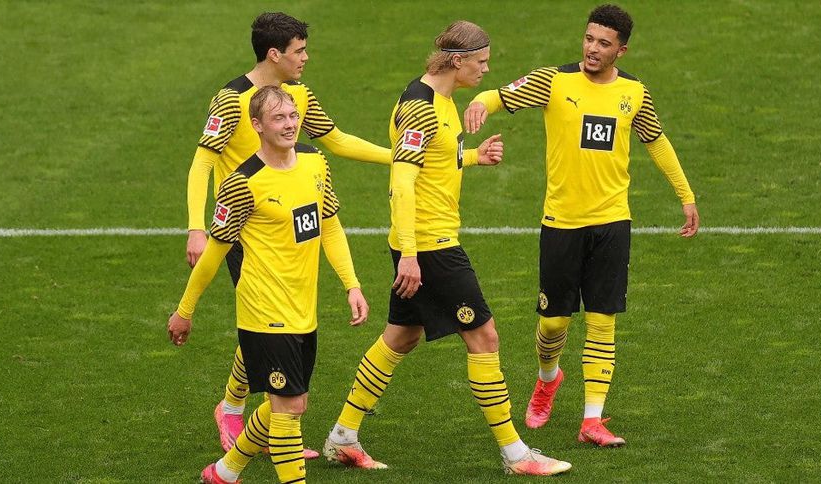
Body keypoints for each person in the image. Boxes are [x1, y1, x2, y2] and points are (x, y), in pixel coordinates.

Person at [321, 21, 571, 477]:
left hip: (424, 242)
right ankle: (516, 454)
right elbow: (402, 182)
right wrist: (411, 255)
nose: (486, 69)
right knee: (484, 337)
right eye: (482, 61)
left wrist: (475, 157)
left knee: (402, 336)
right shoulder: (419, 109)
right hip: (429, 246)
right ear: (457, 60)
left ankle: (343, 436)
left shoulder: (444, 100)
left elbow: (436, 161)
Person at [464, 4, 700, 447]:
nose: (592, 48)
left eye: (603, 43)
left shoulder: (634, 93)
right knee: (554, 324)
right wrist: (479, 103)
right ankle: (548, 378)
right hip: (562, 223)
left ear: (621, 50)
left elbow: (656, 141)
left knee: (602, 318)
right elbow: (499, 95)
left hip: (612, 221)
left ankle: (592, 420)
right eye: (589, 39)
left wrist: (685, 196)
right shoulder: (553, 81)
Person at [184, 12, 389, 458]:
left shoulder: (298, 96)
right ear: (274, 54)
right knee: (267, 321)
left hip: (291, 220)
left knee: (280, 324)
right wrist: (197, 227)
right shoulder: (231, 100)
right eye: (299, 51)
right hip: (246, 229)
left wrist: (398, 157)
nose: (306, 58)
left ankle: (262, 420)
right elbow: (203, 162)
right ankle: (238, 411)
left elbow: (336, 140)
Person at [168, 85, 368, 484]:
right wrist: (184, 311)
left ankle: (224, 472)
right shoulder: (242, 183)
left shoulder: (314, 162)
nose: (290, 124)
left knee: (292, 404)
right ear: (257, 125)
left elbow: (330, 226)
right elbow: (214, 254)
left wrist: (352, 285)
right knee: (289, 410)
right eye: (279, 118)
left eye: (293, 116)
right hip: (263, 311)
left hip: (303, 310)